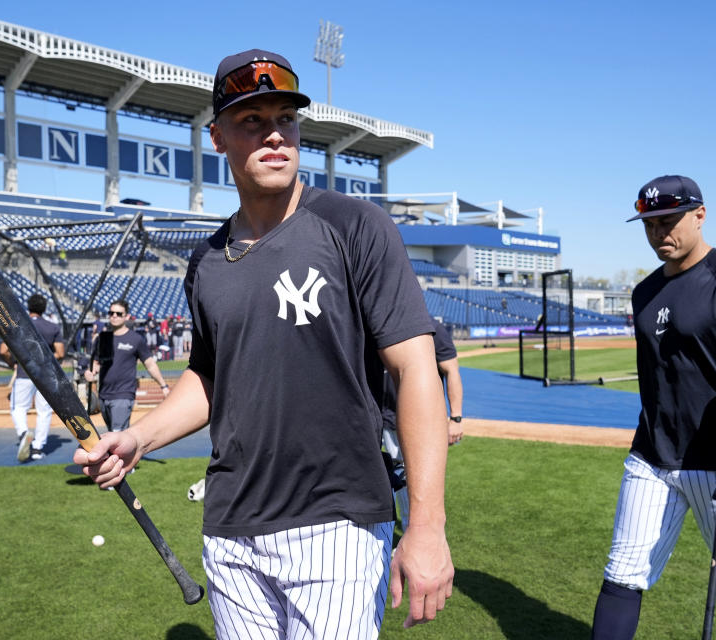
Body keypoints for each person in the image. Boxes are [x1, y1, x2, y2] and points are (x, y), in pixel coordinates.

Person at [75, 49, 454, 638]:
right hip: (230, 527)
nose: (274, 135)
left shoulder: (355, 225)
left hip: (338, 522)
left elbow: (416, 370)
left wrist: (427, 524)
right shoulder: (205, 261)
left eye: (286, 119)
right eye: (252, 120)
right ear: (218, 137)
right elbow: (209, 377)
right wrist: (139, 437)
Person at [590, 175, 716, 640]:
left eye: (669, 221)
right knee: (623, 572)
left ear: (700, 215)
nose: (660, 233)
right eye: (650, 224)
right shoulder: (644, 294)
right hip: (651, 459)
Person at [382, 317, 464, 531]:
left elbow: (451, 370)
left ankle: (416, 534)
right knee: (391, 480)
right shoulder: (377, 323)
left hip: (414, 418)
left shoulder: (432, 328)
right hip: (378, 416)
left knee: (412, 479)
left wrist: (455, 418)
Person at [84, 300, 170, 432]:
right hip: (104, 394)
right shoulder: (103, 338)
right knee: (114, 434)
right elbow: (96, 363)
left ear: (126, 316)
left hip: (123, 394)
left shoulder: (135, 339)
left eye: (118, 313)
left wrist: (163, 386)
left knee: (117, 435)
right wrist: (91, 373)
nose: (114, 316)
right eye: (111, 313)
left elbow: (150, 364)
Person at [1, 293, 65, 463]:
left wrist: (12, 362)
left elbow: (3, 351)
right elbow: (60, 353)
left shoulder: (17, 325)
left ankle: (23, 433)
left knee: (18, 408)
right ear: (44, 309)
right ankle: (37, 448)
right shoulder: (53, 327)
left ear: (28, 307)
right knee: (44, 411)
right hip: (46, 374)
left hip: (24, 372)